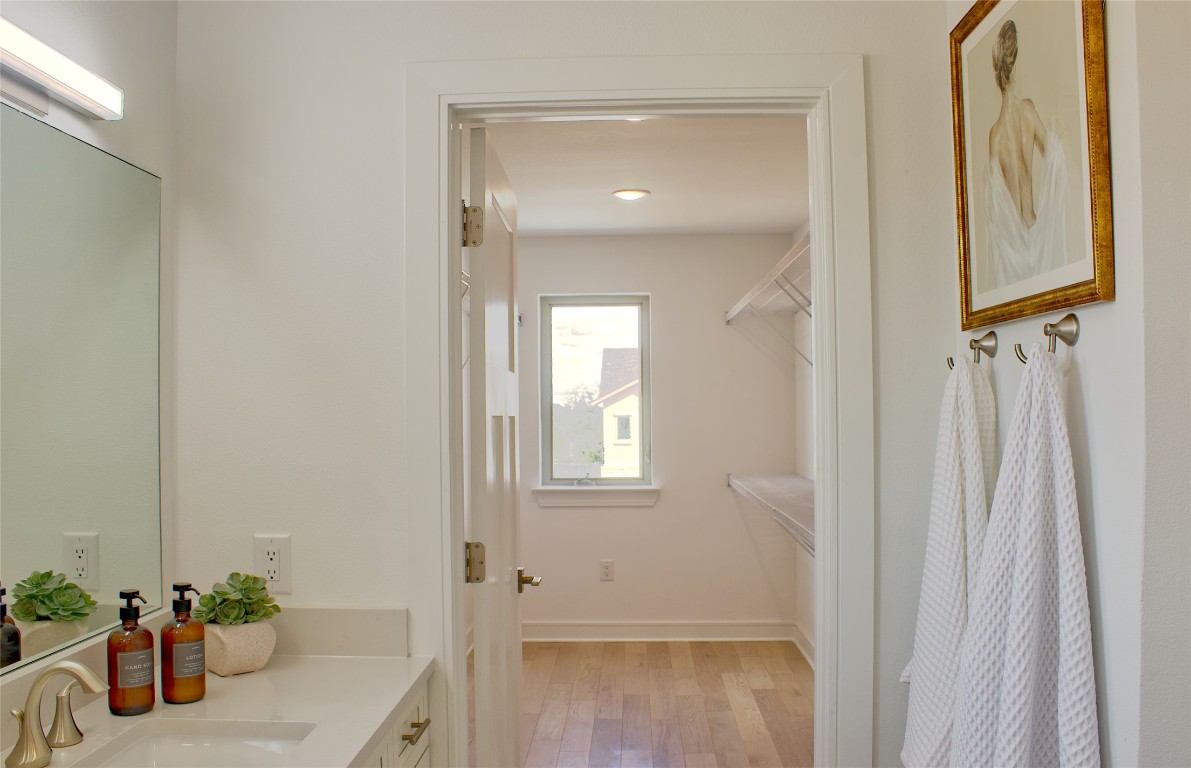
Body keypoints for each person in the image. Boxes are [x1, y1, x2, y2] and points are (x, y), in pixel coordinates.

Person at [985, 19, 1067, 289]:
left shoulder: (995, 136)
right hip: (1036, 235)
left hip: (1014, 252)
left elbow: (997, 213)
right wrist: (1056, 134)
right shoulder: (1029, 111)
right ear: (1014, 64)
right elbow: (1052, 153)